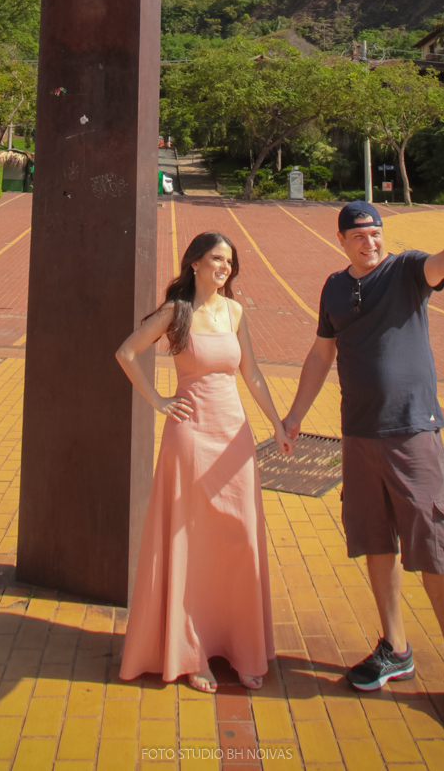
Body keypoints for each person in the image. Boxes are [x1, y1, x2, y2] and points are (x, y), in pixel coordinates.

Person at [283, 201, 444, 733]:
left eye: (375, 232)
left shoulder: (405, 271)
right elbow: (320, 355)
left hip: (411, 431)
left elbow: (441, 263)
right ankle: (395, 647)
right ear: (341, 239)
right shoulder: (333, 288)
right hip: (357, 434)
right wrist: (293, 416)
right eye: (358, 234)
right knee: (375, 543)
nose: (369, 241)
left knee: (432, 548)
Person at [116, 231, 290, 693]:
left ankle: (242, 645)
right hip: (190, 439)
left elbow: (250, 371)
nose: (225, 267)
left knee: (239, 538)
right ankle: (193, 654)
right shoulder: (177, 312)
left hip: (235, 439)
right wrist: (157, 401)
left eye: (229, 261)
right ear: (194, 262)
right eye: (217, 258)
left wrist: (275, 422)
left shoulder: (234, 312)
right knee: (192, 545)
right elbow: (126, 352)